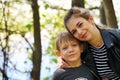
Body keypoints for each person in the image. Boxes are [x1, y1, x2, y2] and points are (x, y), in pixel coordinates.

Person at [59, 6, 120, 80]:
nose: (80, 32)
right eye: (74, 32)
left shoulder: (117, 37)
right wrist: (64, 60)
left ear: (91, 19)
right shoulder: (83, 51)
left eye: (80, 25)